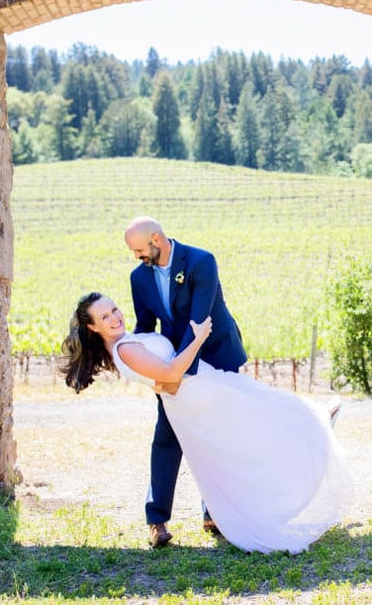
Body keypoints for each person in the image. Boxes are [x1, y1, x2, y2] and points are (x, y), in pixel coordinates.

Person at [60, 292, 352, 554]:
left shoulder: (124, 344)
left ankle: (312, 427)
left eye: (113, 310)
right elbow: (172, 373)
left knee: (258, 419)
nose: (114, 317)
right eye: (104, 317)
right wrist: (199, 336)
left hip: (196, 389)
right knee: (262, 415)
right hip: (198, 393)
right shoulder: (125, 350)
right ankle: (314, 426)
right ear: (92, 327)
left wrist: (161, 381)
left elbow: (162, 377)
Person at [124, 216, 247, 547]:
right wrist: (146, 368)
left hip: (215, 354)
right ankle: (157, 521)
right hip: (173, 364)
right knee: (167, 436)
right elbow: (146, 327)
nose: (136, 256)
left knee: (217, 434)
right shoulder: (139, 277)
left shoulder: (200, 261)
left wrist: (176, 375)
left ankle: (215, 512)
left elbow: (199, 321)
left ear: (156, 239)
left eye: (138, 249)